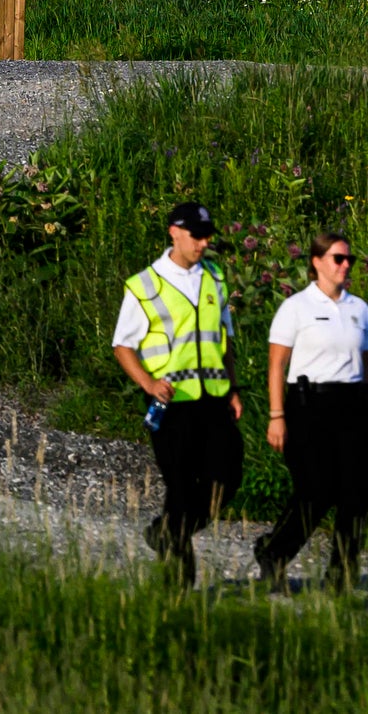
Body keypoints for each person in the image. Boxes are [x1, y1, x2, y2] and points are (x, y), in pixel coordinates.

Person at [112, 199, 244, 582]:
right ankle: (178, 586)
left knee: (227, 478)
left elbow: (225, 339)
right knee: (182, 489)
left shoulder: (215, 277)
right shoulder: (145, 285)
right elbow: (123, 346)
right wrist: (149, 384)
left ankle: (165, 532)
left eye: (208, 236)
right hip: (171, 405)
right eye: (196, 236)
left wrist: (233, 388)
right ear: (174, 232)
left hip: (214, 399)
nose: (203, 243)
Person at [255, 231, 368, 593]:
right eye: (338, 259)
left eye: (349, 260)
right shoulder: (296, 308)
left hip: (353, 405)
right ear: (316, 262)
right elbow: (277, 365)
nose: (345, 266)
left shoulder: (359, 309)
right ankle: (273, 553)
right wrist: (276, 416)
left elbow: (367, 368)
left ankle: (342, 576)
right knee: (315, 491)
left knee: (357, 493)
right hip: (309, 404)